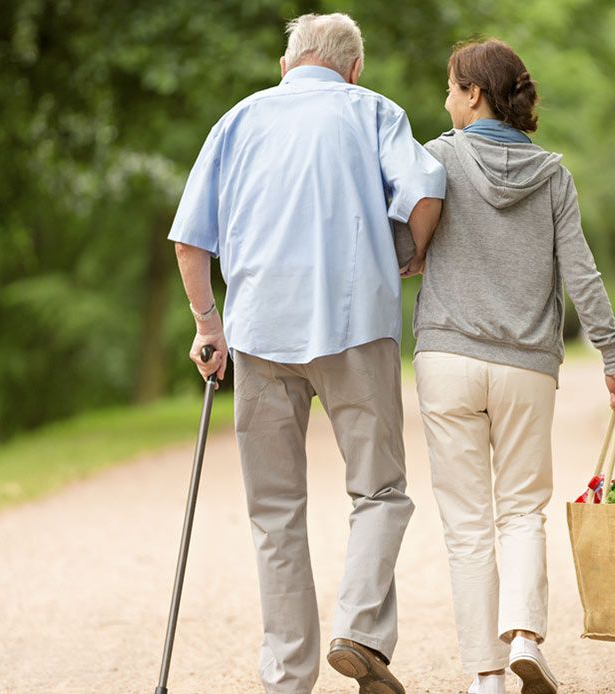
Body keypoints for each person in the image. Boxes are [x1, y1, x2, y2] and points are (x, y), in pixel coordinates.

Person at [168, 13, 444, 694]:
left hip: (260, 334)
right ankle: (358, 629)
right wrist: (408, 255)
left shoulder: (237, 120)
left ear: (286, 63)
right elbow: (427, 190)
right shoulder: (373, 111)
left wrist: (209, 324)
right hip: (355, 326)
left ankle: (287, 677)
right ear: (353, 67)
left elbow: (189, 241)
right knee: (378, 491)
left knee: (274, 511)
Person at [405, 38, 615, 694]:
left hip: (448, 356)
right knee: (520, 511)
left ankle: (485, 676)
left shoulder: (437, 159)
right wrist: (611, 357)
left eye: (451, 88)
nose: (445, 100)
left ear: (474, 94)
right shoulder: (554, 175)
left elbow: (402, 244)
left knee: (467, 522)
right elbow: (581, 275)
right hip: (526, 368)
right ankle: (526, 638)